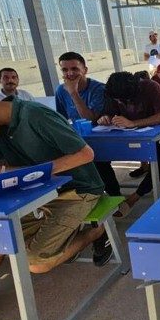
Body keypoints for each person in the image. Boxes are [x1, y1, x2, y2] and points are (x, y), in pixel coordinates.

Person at [0, 89, 111, 275]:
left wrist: (39, 172)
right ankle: (59, 243)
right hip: (34, 194)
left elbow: (85, 154)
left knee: (35, 263)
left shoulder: (34, 115)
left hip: (77, 190)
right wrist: (21, 173)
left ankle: (96, 232)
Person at [53, 52, 119, 218]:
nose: (70, 73)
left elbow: (90, 118)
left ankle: (115, 198)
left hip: (99, 138)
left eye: (75, 68)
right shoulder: (61, 90)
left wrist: (74, 93)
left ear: (85, 69)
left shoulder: (98, 89)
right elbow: (60, 119)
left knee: (100, 165)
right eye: (65, 70)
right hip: (77, 137)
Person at [99, 72, 160, 211]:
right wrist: (105, 118)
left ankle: (136, 195)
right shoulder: (113, 91)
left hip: (159, 134)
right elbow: (110, 112)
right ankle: (116, 197)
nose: (120, 103)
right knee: (97, 156)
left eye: (123, 100)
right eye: (118, 101)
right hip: (125, 137)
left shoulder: (151, 87)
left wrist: (134, 123)